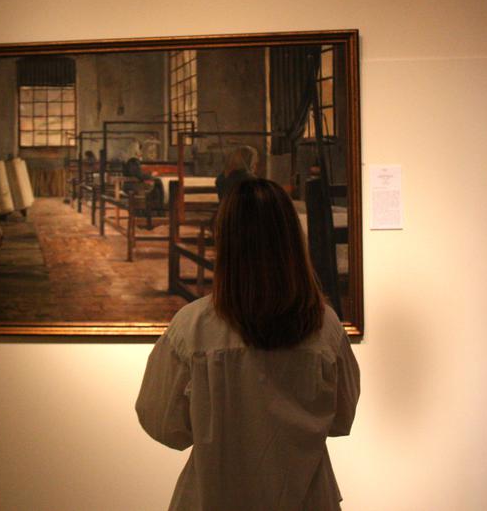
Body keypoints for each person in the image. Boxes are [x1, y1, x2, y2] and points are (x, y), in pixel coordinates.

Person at [136, 178, 360, 511]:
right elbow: (341, 420)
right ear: (292, 241)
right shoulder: (325, 326)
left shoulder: (192, 326)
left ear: (225, 242)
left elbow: (163, 425)